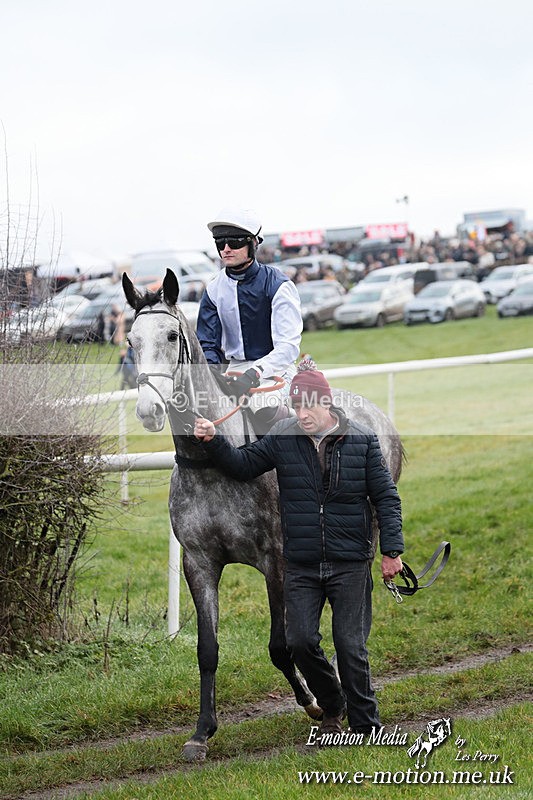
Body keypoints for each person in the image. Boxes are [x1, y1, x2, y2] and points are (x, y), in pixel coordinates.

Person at [193, 360, 404, 743]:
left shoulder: (362, 440)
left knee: (350, 646)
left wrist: (391, 551)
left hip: (349, 561)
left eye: (310, 407)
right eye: (297, 406)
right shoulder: (282, 436)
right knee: (299, 642)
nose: (303, 414)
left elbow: (386, 498)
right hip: (303, 563)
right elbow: (244, 466)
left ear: (327, 405)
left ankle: (366, 726)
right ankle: (332, 701)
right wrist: (214, 439)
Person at [196, 208, 303, 432]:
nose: (225, 249)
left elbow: (288, 346)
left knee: (264, 410)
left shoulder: (279, 285)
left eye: (234, 242)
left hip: (276, 371)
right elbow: (208, 343)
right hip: (233, 372)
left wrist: (254, 372)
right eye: (220, 242)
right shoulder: (214, 289)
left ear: (254, 243)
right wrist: (213, 372)